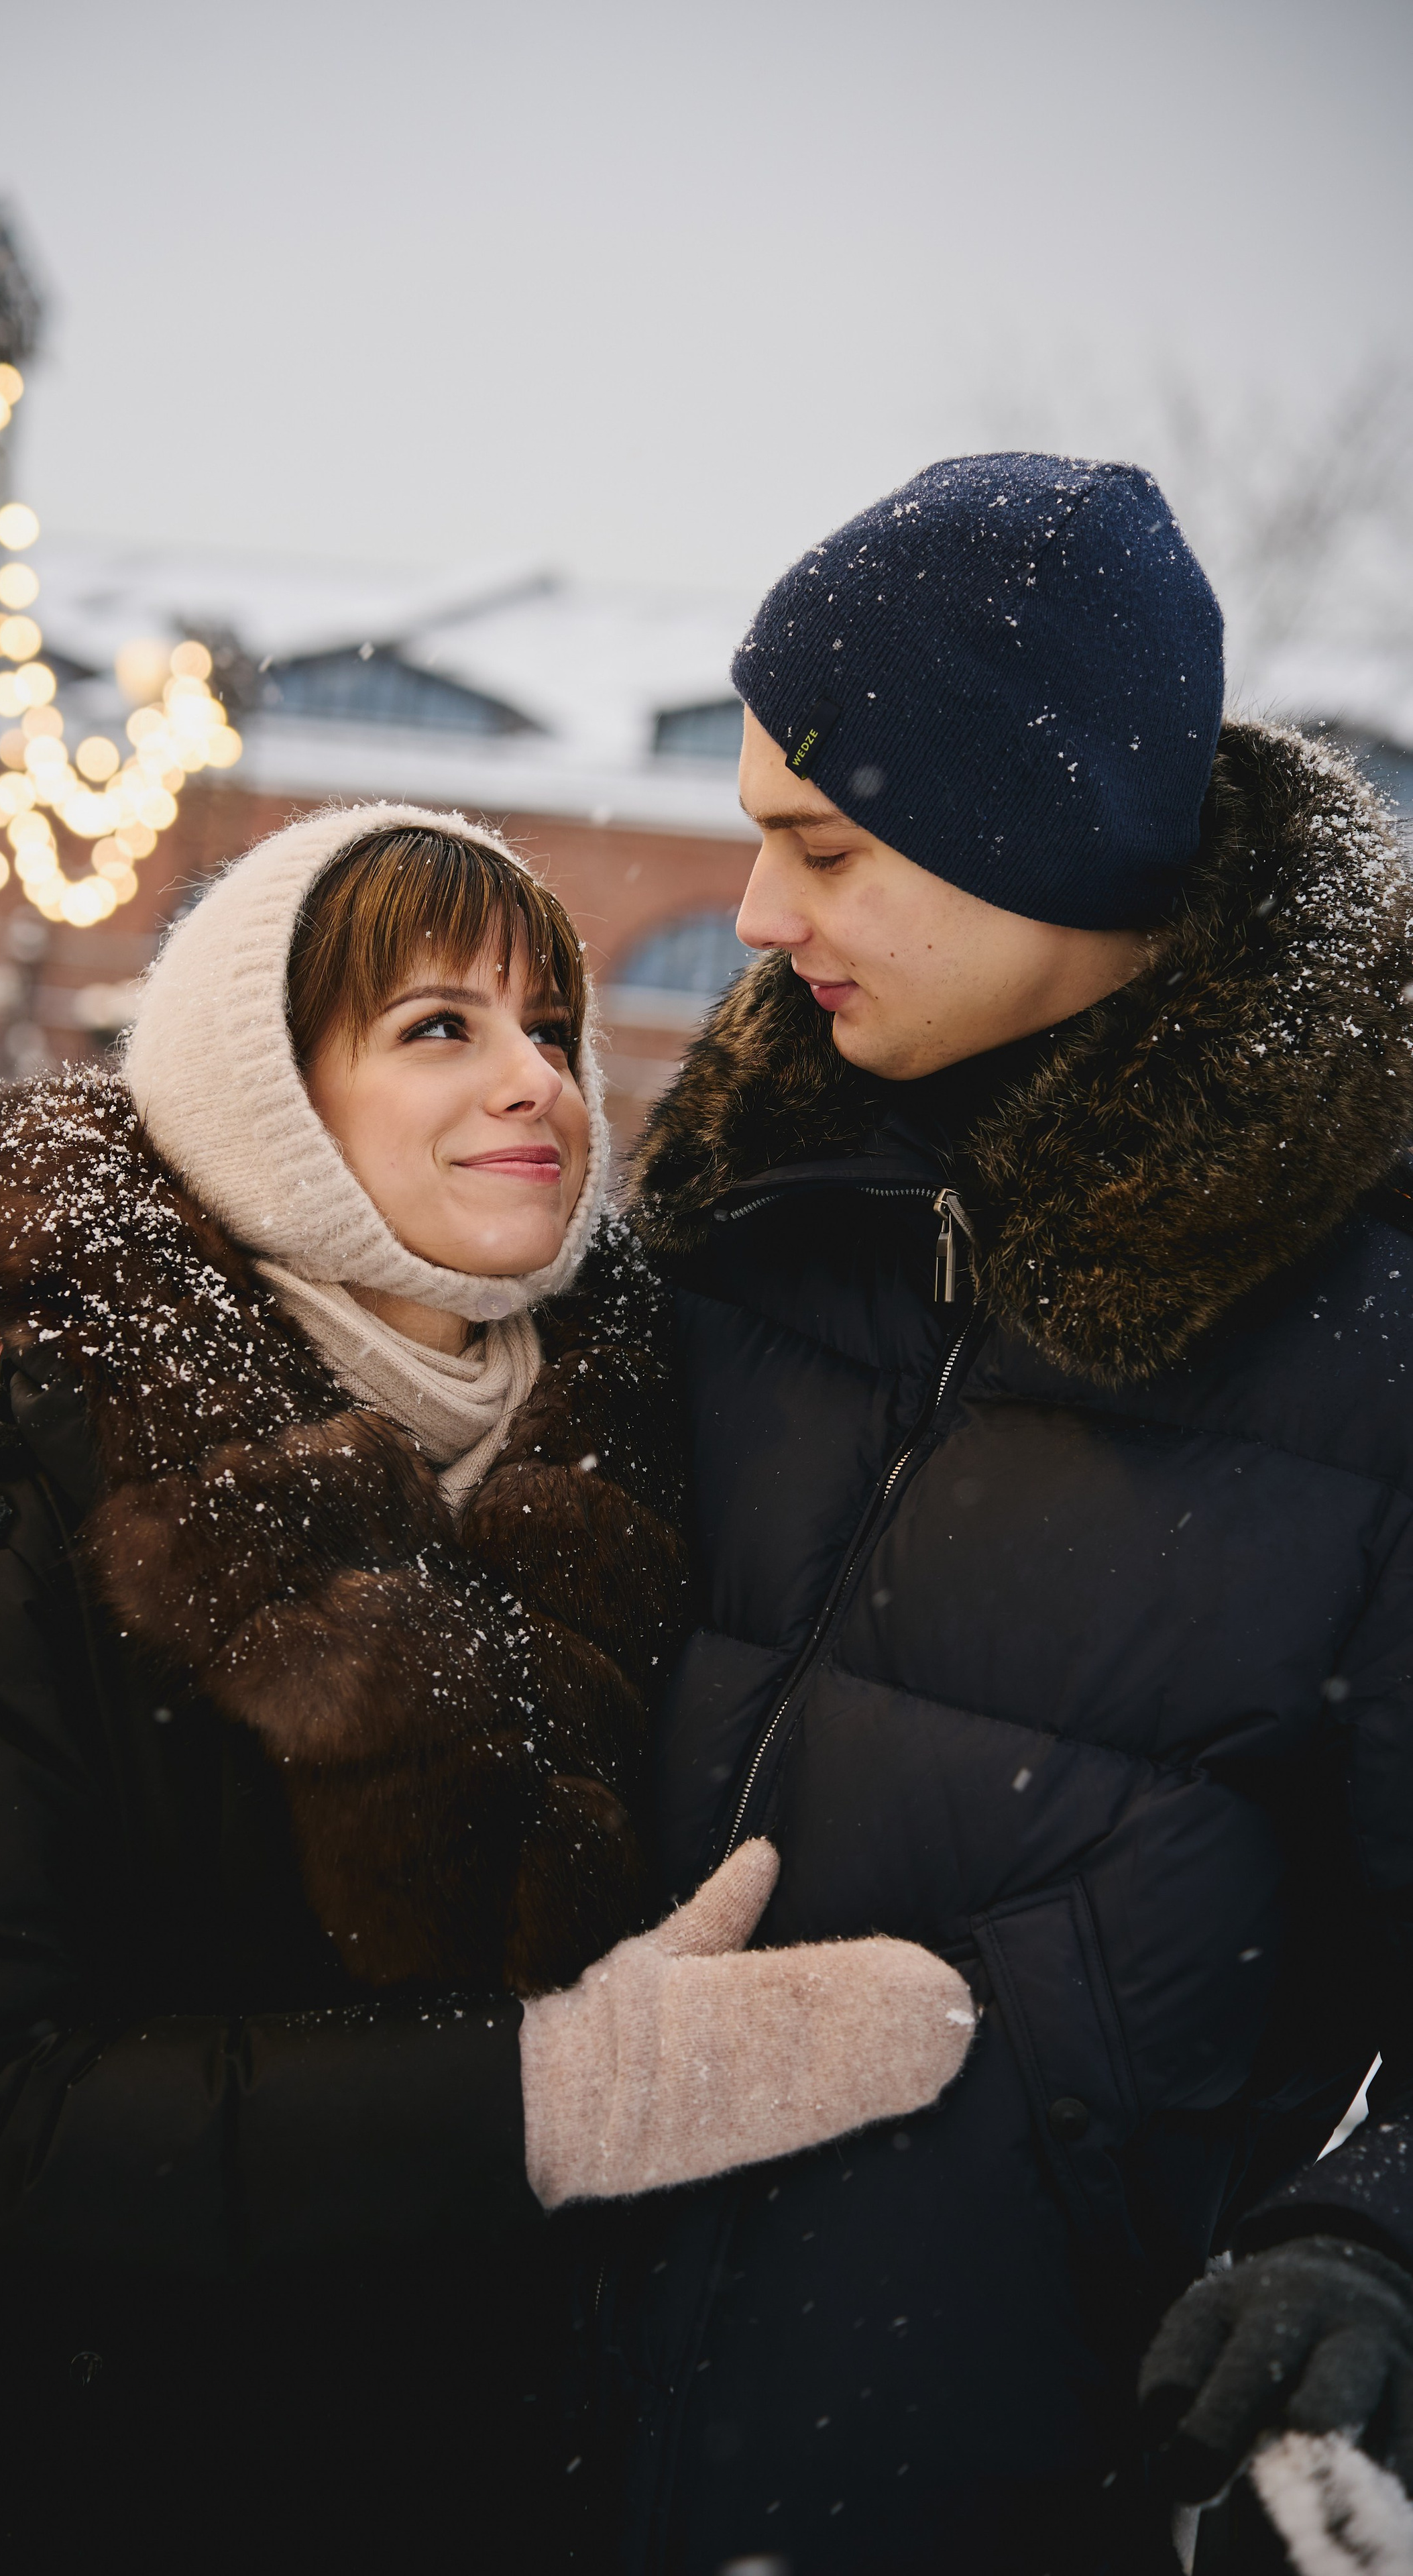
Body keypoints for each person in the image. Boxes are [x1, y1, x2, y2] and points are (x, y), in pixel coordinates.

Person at [0, 806, 972, 2574]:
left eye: (552, 1027)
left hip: (440, 2479)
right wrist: (556, 2093)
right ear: (267, 1096)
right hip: (9, 2473)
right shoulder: (32, 1494)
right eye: (438, 1025)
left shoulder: (668, 1462)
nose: (536, 1081)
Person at [609, 455, 1413, 2573]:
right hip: (528, 2412)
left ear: (1043, 833)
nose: (758, 918)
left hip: (999, 2473)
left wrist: (1372, 2239)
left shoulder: (1372, 1339)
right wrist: (39, 1471)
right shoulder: (733, 1225)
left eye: (824, 848)